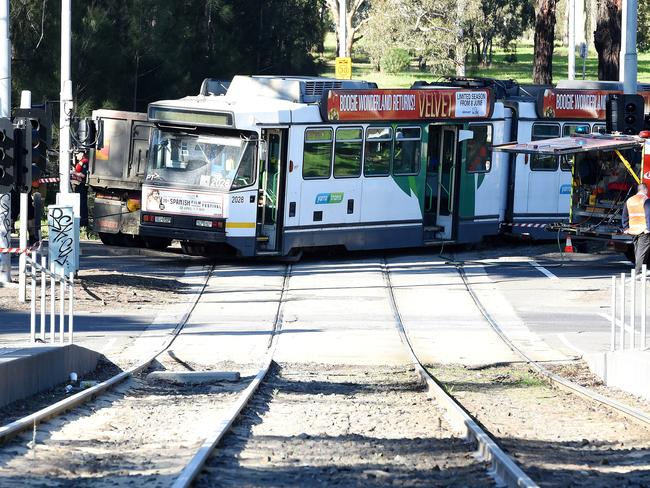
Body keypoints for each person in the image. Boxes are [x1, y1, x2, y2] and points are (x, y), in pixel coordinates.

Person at [622, 183, 650, 274]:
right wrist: (648, 228)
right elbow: (648, 215)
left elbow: (624, 215)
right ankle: (638, 272)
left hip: (633, 230)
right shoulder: (646, 200)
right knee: (641, 252)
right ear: (645, 190)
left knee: (638, 250)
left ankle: (640, 270)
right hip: (643, 230)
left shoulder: (630, 200)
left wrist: (625, 227)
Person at [71, 151, 89, 226]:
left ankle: (83, 222)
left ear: (81, 154)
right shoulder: (80, 162)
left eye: (77, 154)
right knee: (79, 203)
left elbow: (83, 175)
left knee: (82, 203)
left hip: (82, 186)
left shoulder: (84, 162)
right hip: (78, 185)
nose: (76, 156)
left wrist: (73, 172)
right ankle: (80, 221)